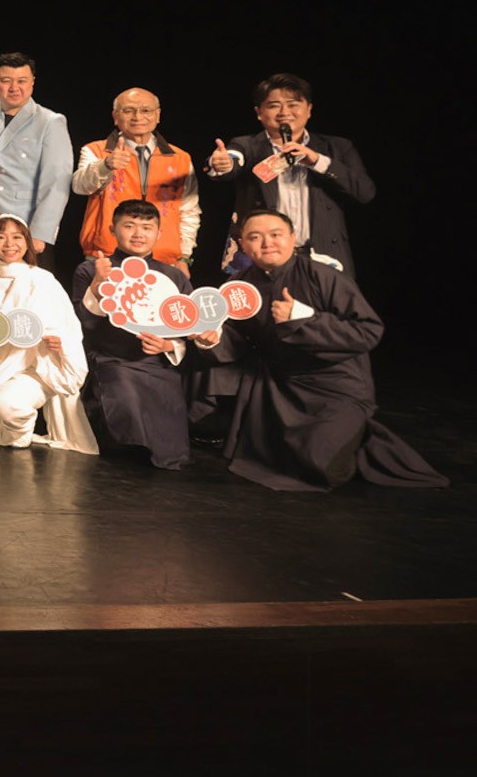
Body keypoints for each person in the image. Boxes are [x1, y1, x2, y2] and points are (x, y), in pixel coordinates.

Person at [191, 211, 444, 492]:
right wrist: (210, 338)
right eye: (255, 237)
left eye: (275, 235)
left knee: (327, 467)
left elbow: (368, 331)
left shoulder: (323, 276)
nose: (266, 243)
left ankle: (360, 436)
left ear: (292, 238)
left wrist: (303, 318)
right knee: (265, 459)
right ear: (243, 244)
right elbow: (236, 340)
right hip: (280, 387)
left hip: (334, 385)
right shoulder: (238, 286)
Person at [0, 214, 97, 455]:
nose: (9, 244)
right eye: (0, 237)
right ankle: (4, 427)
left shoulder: (43, 280)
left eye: (17, 237)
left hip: (30, 370)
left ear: (27, 242)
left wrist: (58, 344)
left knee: (8, 406)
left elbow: (67, 327)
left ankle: (18, 432)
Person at [205, 74, 375, 276]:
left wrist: (316, 161)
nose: (284, 112)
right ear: (259, 112)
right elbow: (233, 159)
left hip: (323, 258)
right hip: (261, 258)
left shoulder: (337, 147)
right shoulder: (247, 145)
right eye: (274, 106)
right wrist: (222, 163)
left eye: (293, 104)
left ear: (309, 109)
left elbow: (365, 192)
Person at [72, 200, 199, 470]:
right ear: (113, 229)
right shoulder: (91, 269)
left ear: (159, 233)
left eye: (147, 227)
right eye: (129, 226)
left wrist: (168, 345)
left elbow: (189, 326)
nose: (138, 234)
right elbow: (82, 324)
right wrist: (98, 284)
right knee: (127, 407)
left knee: (171, 449)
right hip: (112, 360)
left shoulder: (173, 276)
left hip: (157, 364)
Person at [0, 53, 71, 258]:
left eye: (22, 81)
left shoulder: (50, 121)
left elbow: (56, 182)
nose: (14, 88)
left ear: (32, 82)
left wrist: (41, 232)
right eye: (6, 81)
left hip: (20, 226)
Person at [72, 87, 197, 267]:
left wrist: (184, 257)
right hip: (106, 257)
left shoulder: (180, 158)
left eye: (146, 110)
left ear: (158, 115)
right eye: (128, 111)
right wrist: (105, 165)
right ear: (115, 116)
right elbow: (79, 186)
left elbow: (189, 211)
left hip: (164, 260)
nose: (138, 117)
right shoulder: (96, 151)